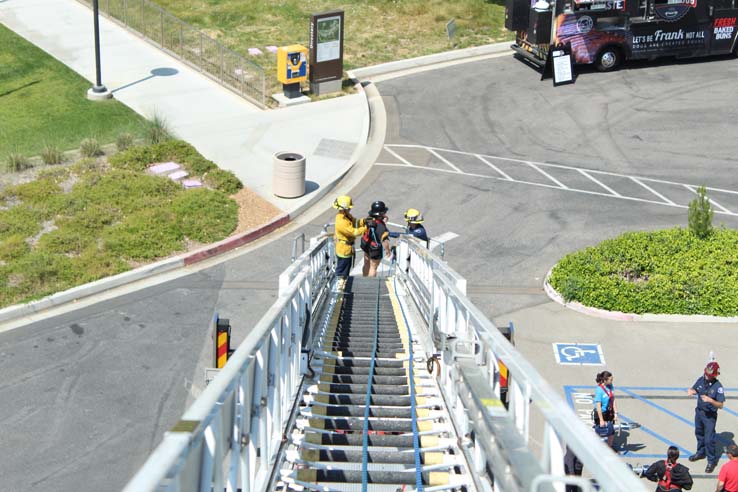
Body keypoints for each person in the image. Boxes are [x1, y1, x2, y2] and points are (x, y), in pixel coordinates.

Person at [687, 361, 725, 473]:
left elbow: (721, 405)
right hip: (699, 413)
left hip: (709, 416)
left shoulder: (718, 387)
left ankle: (711, 461)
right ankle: (700, 452)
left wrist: (711, 400)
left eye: (709, 375)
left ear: (714, 375)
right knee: (699, 433)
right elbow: (695, 389)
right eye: (706, 374)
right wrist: (691, 391)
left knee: (709, 439)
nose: (706, 376)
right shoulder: (701, 379)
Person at [332, 195, 365, 281]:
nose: (350, 209)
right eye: (348, 208)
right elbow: (353, 232)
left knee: (346, 269)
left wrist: (364, 221)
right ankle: (339, 288)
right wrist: (366, 228)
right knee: (342, 272)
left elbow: (355, 223)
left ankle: (343, 284)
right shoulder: (341, 221)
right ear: (344, 208)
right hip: (344, 250)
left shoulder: (346, 215)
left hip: (347, 249)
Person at [361, 200, 391, 277]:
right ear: (381, 214)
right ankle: (369, 284)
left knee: (366, 264)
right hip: (374, 248)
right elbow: (384, 241)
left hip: (366, 244)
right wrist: (388, 251)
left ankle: (364, 278)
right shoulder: (380, 227)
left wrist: (383, 219)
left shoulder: (369, 220)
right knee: (373, 267)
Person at [593, 370, 618, 450]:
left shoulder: (611, 386)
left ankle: (609, 448)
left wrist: (615, 413)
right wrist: (601, 420)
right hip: (601, 413)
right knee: (599, 431)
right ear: (605, 380)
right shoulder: (599, 390)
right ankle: (595, 448)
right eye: (610, 380)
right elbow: (598, 406)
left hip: (609, 412)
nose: (612, 381)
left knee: (611, 431)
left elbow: (613, 399)